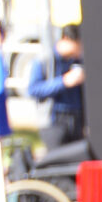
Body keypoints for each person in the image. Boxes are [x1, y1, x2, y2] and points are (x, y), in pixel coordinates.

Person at [24, 26, 87, 161]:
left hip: (76, 120)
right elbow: (33, 89)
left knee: (78, 162)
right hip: (54, 121)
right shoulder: (43, 60)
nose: (80, 49)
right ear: (66, 40)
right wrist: (64, 82)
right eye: (79, 44)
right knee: (58, 163)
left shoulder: (77, 61)